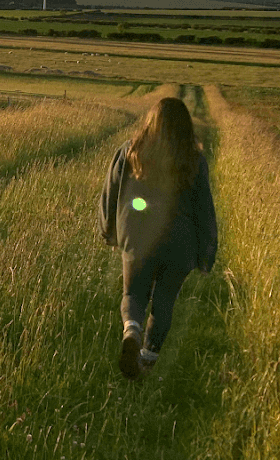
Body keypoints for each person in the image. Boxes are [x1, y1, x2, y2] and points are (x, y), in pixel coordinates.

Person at [99, 97, 219, 379]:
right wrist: (206, 254)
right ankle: (147, 360)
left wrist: (110, 231)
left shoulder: (129, 151)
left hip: (138, 234)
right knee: (165, 299)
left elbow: (111, 193)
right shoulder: (194, 159)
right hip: (181, 242)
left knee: (133, 293)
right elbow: (204, 209)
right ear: (185, 128)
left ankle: (131, 331)